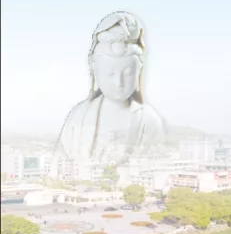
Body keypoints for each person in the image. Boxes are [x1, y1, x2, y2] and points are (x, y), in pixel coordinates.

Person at [57, 12, 164, 164]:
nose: (118, 82)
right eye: (109, 73)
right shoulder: (78, 117)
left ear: (138, 72)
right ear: (95, 71)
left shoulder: (149, 121)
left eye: (127, 74)